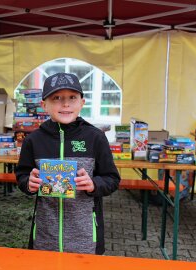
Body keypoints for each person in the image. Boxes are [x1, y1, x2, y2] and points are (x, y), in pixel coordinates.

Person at [15, 72, 120, 255]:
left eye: (72, 97)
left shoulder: (95, 137)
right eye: (57, 98)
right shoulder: (33, 140)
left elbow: (111, 178)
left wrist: (93, 184)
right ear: (44, 105)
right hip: (45, 237)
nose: (65, 104)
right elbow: (22, 175)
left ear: (82, 102)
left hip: (86, 239)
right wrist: (28, 183)